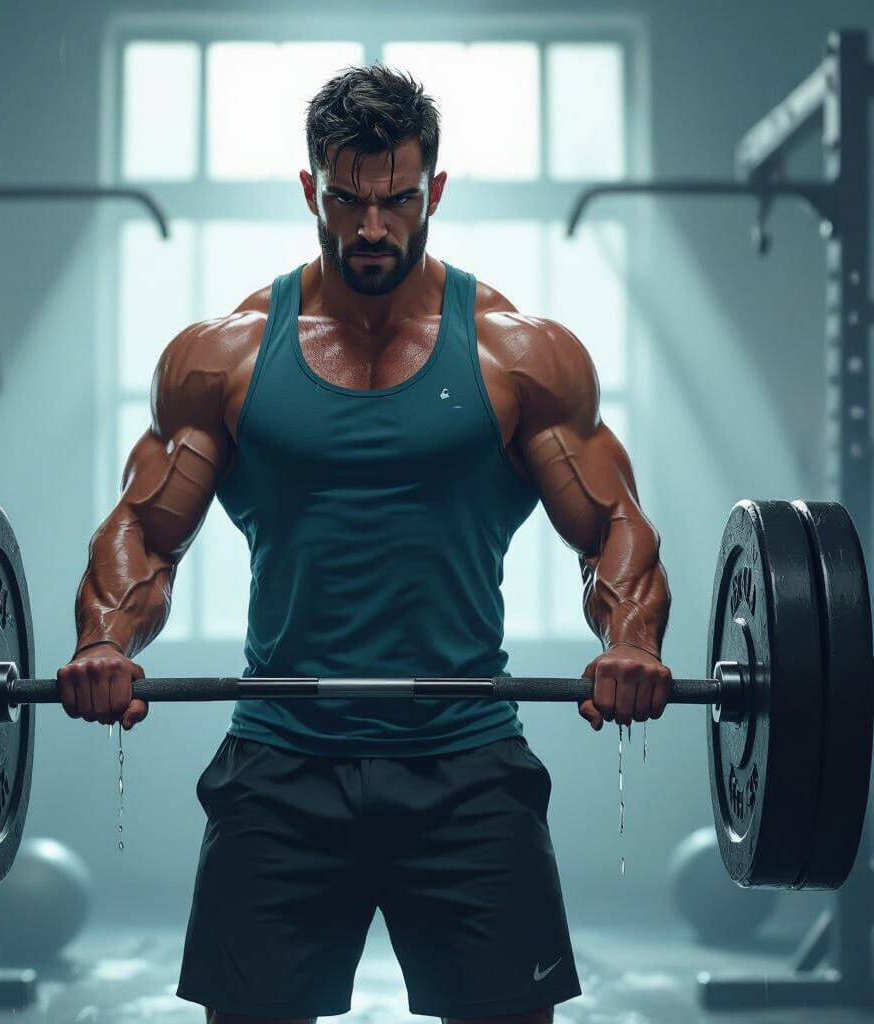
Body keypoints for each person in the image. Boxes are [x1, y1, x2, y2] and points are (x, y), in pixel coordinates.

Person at [56, 64, 672, 1024]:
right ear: (311, 189)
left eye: (397, 200)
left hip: (466, 761)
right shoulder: (224, 356)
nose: (372, 228)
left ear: (435, 189)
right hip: (281, 763)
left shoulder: (518, 355)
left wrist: (630, 644)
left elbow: (612, 527)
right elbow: (144, 529)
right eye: (347, 201)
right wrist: (104, 643)